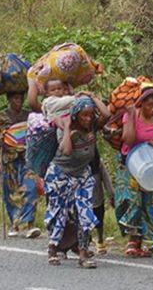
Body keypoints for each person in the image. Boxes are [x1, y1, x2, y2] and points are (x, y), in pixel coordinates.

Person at [44, 93, 111, 268]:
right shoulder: (65, 125)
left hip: (82, 174)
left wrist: (93, 97)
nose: (88, 119)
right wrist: (67, 128)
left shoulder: (93, 126)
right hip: (60, 174)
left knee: (84, 212)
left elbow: (107, 115)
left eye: (90, 114)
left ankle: (83, 254)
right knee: (59, 213)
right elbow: (66, 150)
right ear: (75, 115)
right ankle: (53, 248)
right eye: (84, 115)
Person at [115, 87, 153, 257]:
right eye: (149, 105)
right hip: (131, 164)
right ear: (141, 103)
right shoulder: (131, 115)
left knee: (148, 202)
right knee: (134, 201)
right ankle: (133, 240)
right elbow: (128, 140)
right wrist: (129, 116)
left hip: (150, 164)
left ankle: (145, 242)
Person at [0, 92, 41, 239]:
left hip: (27, 158)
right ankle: (15, 223)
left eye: (20, 98)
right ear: (9, 100)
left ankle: (30, 224)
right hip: (8, 159)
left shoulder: (29, 115)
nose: (18, 101)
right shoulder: (1, 117)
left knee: (31, 187)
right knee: (10, 192)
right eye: (15, 98)